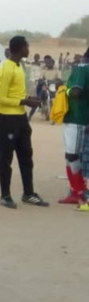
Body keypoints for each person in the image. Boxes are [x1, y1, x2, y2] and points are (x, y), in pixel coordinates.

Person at [0, 38, 48, 209]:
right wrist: (24, 102)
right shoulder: (7, 68)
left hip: (20, 117)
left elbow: (16, 94)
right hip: (6, 118)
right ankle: (5, 195)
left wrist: (28, 99)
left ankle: (28, 193)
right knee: (6, 158)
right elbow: (1, 98)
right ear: (20, 48)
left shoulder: (19, 66)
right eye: (27, 46)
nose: (29, 49)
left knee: (26, 156)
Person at [58, 48, 89, 205]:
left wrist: (65, 90)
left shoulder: (83, 68)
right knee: (71, 155)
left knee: (73, 155)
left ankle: (80, 192)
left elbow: (76, 91)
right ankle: (74, 191)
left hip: (77, 118)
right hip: (77, 118)